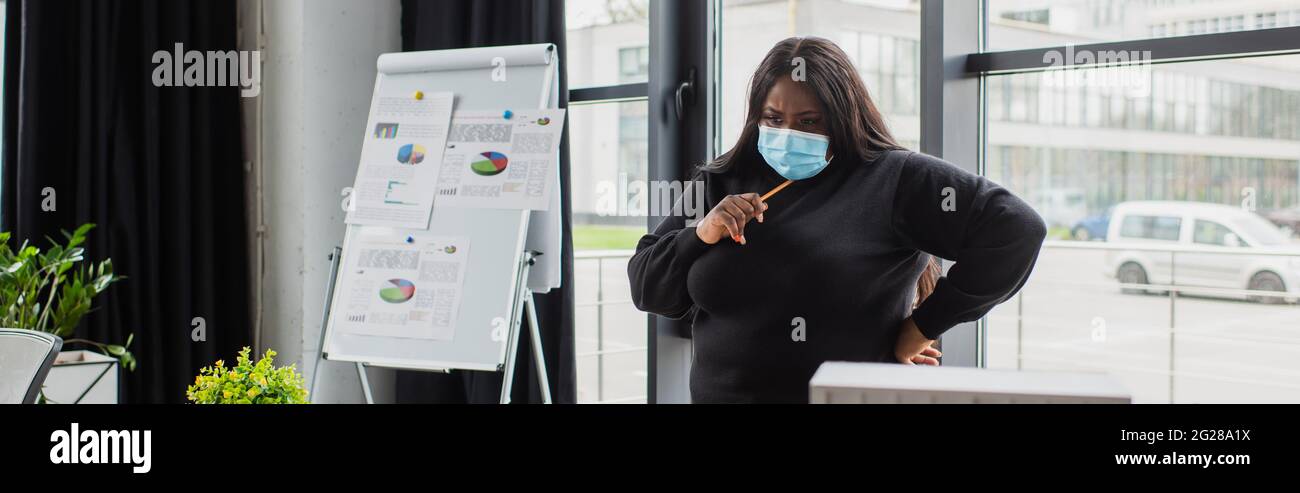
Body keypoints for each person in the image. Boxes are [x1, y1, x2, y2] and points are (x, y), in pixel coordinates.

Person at [627, 36, 1047, 403]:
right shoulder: (722, 180)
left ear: (843, 117)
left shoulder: (891, 177)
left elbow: (1016, 230)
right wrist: (700, 234)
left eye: (809, 122)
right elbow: (648, 288)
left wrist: (923, 325)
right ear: (757, 116)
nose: (788, 133)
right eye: (774, 119)